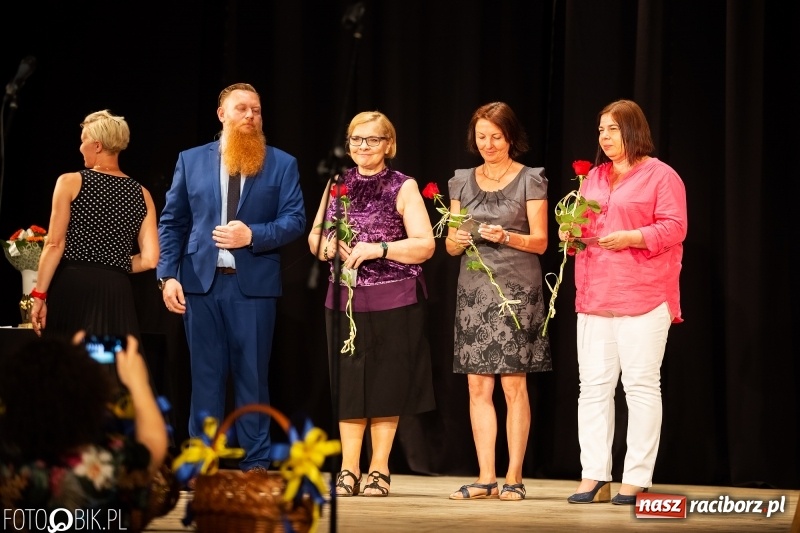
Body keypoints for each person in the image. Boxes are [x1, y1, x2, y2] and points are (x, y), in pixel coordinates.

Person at [157, 83, 306, 473]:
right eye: (241, 109)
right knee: (204, 375)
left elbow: (294, 221)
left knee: (252, 376)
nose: (250, 117)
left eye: (256, 110)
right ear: (222, 114)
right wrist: (167, 276)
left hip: (252, 287)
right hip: (200, 283)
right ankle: (202, 460)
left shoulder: (281, 163)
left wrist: (252, 234)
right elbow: (173, 222)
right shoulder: (191, 161)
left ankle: (256, 460)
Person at [563, 99, 687, 505]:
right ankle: (595, 475)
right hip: (596, 293)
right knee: (593, 388)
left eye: (612, 129)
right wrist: (572, 234)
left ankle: (636, 477)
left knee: (640, 385)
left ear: (633, 130)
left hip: (644, 294)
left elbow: (675, 226)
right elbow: (584, 224)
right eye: (600, 130)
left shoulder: (661, 175)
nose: (604, 137)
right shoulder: (595, 177)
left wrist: (634, 237)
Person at [308, 111, 435, 497]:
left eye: (372, 140)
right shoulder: (336, 183)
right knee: (348, 386)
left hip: (394, 297)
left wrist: (378, 248)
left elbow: (425, 244)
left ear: (388, 145)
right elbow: (315, 234)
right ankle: (348, 468)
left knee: (384, 386)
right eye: (356, 140)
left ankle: (378, 468)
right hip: (344, 298)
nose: (363, 147)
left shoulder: (403, 185)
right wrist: (325, 245)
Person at [445, 102, 551, 501]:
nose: (488, 144)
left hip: (515, 291)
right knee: (477, 387)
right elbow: (453, 244)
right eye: (481, 137)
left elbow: (541, 241)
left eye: (495, 136)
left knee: (513, 386)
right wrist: (454, 242)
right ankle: (486, 476)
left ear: (510, 137)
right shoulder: (460, 181)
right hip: (474, 291)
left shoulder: (531, 179)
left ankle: (514, 477)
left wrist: (505, 236)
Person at [0, 333, 168, 532]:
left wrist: (64, 364)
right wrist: (138, 383)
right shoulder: (107, 466)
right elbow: (153, 445)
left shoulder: (8, 468)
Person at [30, 110, 159, 342]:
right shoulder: (143, 194)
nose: (80, 147)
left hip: (75, 286)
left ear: (97, 146)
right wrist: (111, 263)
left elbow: (54, 243)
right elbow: (150, 259)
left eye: (83, 141)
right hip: (116, 291)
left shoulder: (70, 182)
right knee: (108, 367)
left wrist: (39, 295)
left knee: (68, 365)